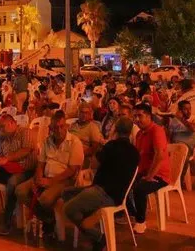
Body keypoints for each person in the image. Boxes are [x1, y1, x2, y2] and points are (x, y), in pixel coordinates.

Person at [63, 117, 140, 251]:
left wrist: (107, 140)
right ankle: (87, 224)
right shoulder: (135, 152)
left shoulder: (111, 146)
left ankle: (98, 236)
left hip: (105, 193)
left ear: (115, 129)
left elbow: (93, 164)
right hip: (116, 193)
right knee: (66, 193)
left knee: (69, 209)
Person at [16, 110, 84, 237]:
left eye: (61, 126)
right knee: (20, 191)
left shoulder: (75, 142)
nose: (58, 130)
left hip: (64, 180)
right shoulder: (47, 141)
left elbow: (72, 170)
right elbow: (40, 164)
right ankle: (48, 219)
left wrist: (51, 181)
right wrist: (38, 178)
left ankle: (48, 222)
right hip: (46, 176)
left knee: (45, 199)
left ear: (66, 126)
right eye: (55, 127)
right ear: (51, 128)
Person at [131, 103, 170, 234]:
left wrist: (149, 177)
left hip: (159, 175)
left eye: (140, 116)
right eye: (134, 116)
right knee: (122, 183)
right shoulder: (140, 134)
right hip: (144, 172)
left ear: (149, 116)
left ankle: (141, 221)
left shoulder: (156, 131)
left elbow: (159, 155)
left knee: (140, 189)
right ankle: (130, 212)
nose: (136, 119)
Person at [69, 101, 105, 166]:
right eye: (82, 112)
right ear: (78, 113)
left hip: (83, 158)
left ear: (90, 114)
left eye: (86, 113)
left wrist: (78, 155)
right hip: (68, 153)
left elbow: (94, 149)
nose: (84, 115)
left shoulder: (93, 127)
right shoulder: (72, 125)